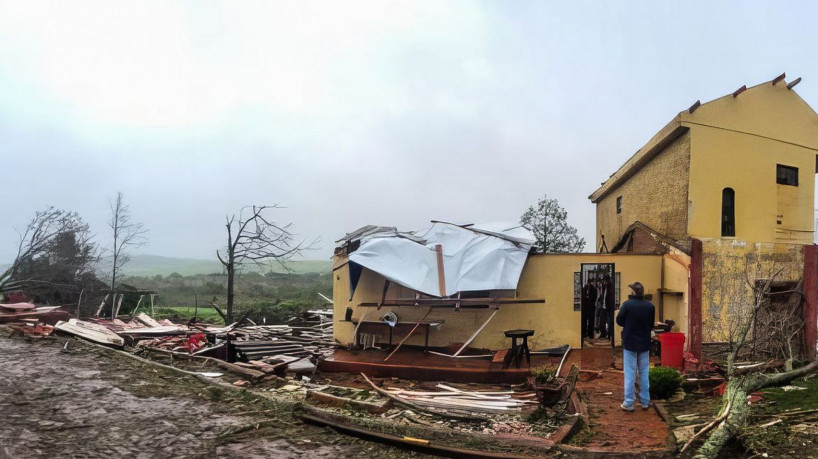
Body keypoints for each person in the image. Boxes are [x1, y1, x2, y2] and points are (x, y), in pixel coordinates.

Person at [615, 281, 655, 412]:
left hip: (630, 342)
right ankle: (645, 401)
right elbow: (651, 324)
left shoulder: (627, 305)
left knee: (630, 373)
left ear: (632, 292)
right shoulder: (650, 306)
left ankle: (629, 402)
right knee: (644, 372)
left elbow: (619, 321)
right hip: (644, 342)